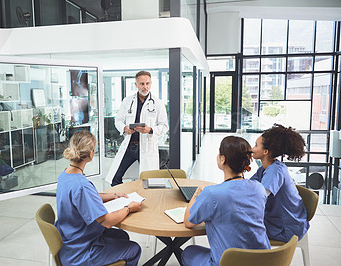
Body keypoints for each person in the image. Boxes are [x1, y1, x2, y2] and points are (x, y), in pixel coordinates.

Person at [55, 130, 142, 266]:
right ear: (91, 154)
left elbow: (86, 198)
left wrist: (114, 196)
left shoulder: (65, 175)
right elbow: (107, 222)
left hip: (71, 237)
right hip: (81, 251)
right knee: (134, 249)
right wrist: (129, 208)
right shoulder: (82, 185)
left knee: (122, 236)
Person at [182, 136, 270, 266]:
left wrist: (198, 191)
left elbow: (188, 222)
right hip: (262, 260)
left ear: (222, 159)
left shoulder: (212, 193)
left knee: (188, 252)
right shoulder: (259, 188)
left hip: (227, 262)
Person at [106, 71, 169, 186]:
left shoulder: (158, 103)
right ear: (136, 84)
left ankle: (144, 201)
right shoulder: (127, 101)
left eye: (147, 83)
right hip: (130, 147)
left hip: (147, 147)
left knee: (150, 182)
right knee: (115, 178)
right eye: (142, 84)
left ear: (151, 84)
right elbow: (118, 120)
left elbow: (164, 126)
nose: (145, 87)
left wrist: (150, 130)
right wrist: (125, 128)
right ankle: (122, 200)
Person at [251, 124, 309, 242]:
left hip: (286, 228)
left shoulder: (275, 171)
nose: (252, 149)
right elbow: (247, 186)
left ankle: (247, 259)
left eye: (256, 145)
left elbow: (259, 196)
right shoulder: (264, 168)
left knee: (238, 226)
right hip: (276, 220)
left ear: (265, 151)